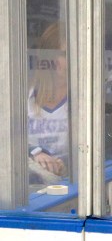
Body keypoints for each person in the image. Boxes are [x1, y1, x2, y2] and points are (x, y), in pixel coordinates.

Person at [28, 21, 69, 182]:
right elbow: (8, 141)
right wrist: (35, 152)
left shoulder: (84, 101)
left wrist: (65, 162)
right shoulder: (23, 96)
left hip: (70, 182)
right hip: (29, 184)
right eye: (64, 55)